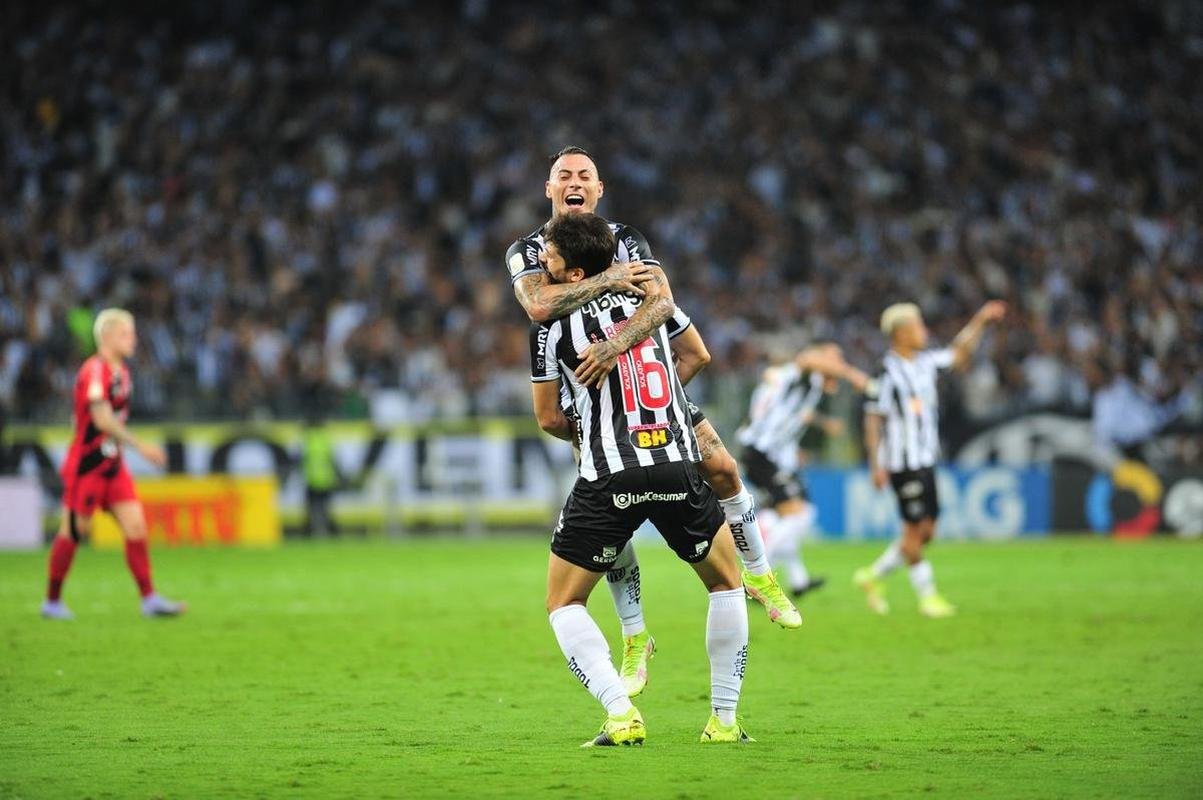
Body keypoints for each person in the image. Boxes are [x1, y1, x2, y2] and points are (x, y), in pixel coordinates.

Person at [505, 146, 798, 698]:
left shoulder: (626, 236)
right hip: (583, 388)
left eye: (583, 175)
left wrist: (621, 356)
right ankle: (635, 633)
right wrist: (613, 281)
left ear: (599, 188)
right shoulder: (527, 250)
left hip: (640, 377)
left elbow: (662, 303)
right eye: (563, 175)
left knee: (724, 467)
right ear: (549, 190)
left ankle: (759, 571)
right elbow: (539, 306)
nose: (573, 181)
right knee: (614, 524)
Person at [532, 213, 754, 746]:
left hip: (609, 475)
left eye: (551, 257)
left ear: (574, 272)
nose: (542, 262)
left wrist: (595, 424)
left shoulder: (551, 327)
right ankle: (723, 722)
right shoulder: (652, 304)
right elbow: (696, 353)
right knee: (726, 585)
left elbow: (547, 419)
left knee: (563, 603)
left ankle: (620, 713)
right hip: (677, 461)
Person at [855, 301, 1006, 618]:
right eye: (918, 326)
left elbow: (959, 353)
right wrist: (875, 463)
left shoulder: (925, 363)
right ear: (901, 333)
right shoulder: (885, 372)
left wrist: (979, 320)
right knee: (913, 532)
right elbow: (873, 419)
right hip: (901, 463)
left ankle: (873, 576)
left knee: (927, 531)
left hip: (925, 459)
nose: (924, 331)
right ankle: (928, 597)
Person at [42, 309, 185, 620]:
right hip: (88, 466)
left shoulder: (122, 371)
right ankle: (51, 601)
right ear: (106, 337)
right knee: (76, 530)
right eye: (126, 334)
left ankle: (149, 598)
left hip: (113, 465)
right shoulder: (95, 369)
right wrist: (142, 447)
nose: (133, 340)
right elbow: (102, 418)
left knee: (135, 526)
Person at [739, 342, 872, 596]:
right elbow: (806, 359)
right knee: (800, 514)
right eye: (834, 358)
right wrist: (850, 372)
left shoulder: (810, 387)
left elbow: (800, 415)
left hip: (768, 454)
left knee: (785, 515)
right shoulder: (801, 376)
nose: (838, 363)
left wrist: (823, 425)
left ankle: (796, 580)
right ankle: (757, 576)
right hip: (760, 452)